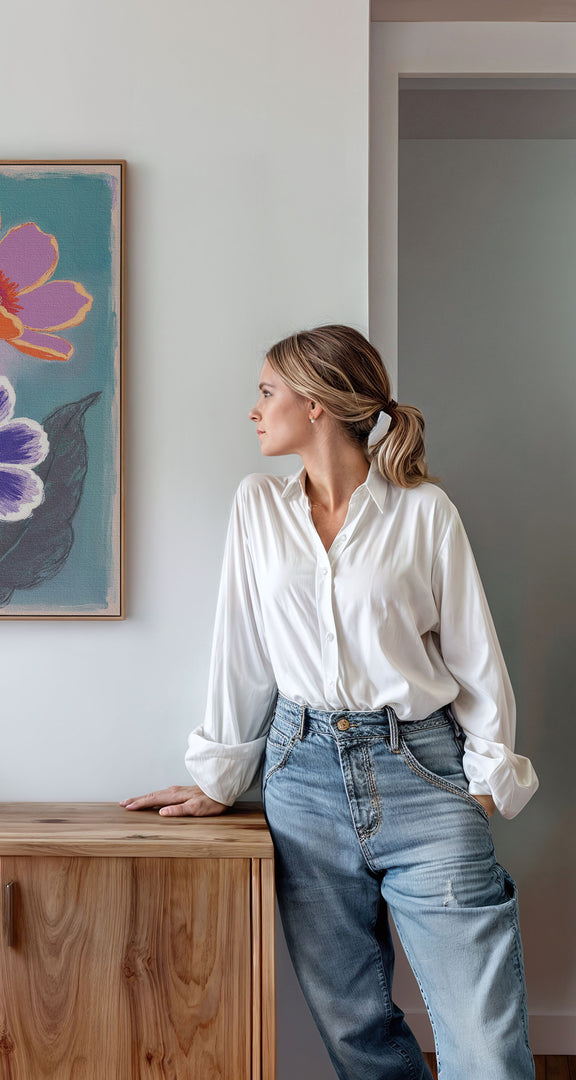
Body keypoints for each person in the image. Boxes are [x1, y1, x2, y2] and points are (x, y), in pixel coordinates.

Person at [122, 325, 538, 1080]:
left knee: (484, 1041)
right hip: (302, 777)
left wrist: (484, 781)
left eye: (267, 392)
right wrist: (220, 776)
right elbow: (241, 650)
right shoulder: (258, 506)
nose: (254, 410)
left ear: (315, 404)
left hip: (423, 771)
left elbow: (475, 653)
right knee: (355, 1031)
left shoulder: (424, 511)